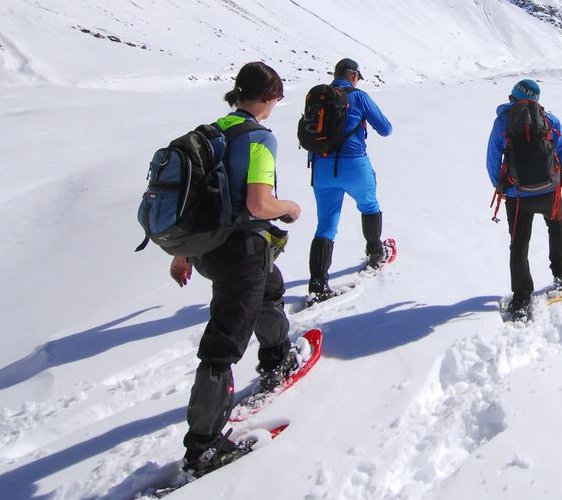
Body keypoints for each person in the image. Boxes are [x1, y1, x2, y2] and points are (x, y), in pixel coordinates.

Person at [168, 61, 303, 474]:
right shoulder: (259, 138)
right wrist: (289, 208)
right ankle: (204, 445)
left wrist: (182, 253)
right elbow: (259, 204)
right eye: (277, 98)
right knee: (222, 345)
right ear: (269, 97)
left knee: (270, 287)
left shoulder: (211, 133)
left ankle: (277, 356)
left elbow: (197, 198)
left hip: (206, 249)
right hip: (240, 252)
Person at [486, 78, 562, 320]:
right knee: (555, 225)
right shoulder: (549, 120)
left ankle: (521, 300)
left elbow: (493, 157)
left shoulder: (502, 122)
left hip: (517, 195)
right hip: (549, 191)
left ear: (514, 97)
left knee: (519, 245)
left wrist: (500, 186)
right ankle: (561, 271)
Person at [308, 58, 393, 299]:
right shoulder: (358, 96)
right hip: (355, 163)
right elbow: (385, 128)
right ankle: (375, 252)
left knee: (326, 225)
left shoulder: (318, 97)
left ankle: (317, 285)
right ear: (353, 76)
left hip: (322, 167)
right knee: (369, 205)